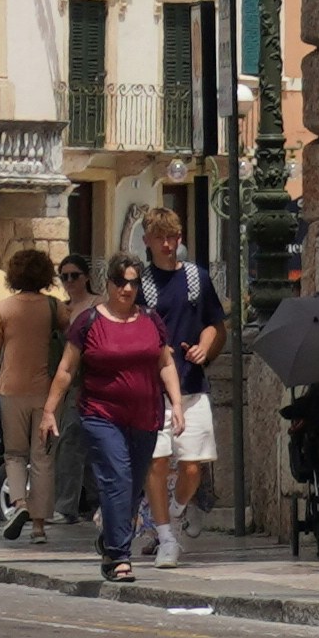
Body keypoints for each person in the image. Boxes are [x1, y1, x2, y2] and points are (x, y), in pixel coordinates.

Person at [66, 256, 174, 582]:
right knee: (118, 479)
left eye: (134, 282)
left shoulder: (151, 320)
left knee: (131, 489)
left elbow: (165, 364)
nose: (128, 288)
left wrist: (177, 404)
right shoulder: (88, 322)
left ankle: (111, 537)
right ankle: (118, 557)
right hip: (101, 414)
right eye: (122, 282)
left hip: (145, 415)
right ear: (109, 283)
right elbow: (66, 369)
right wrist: (47, 413)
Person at [137, 206, 222, 565]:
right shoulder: (139, 284)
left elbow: (215, 322)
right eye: (160, 238)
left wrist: (206, 345)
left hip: (191, 383)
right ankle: (167, 536)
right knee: (156, 464)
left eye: (172, 237)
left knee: (192, 467)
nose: (168, 244)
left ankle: (173, 511)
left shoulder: (196, 277)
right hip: (152, 390)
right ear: (148, 242)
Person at [0, 246, 64, 543]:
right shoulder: (55, 308)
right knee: (42, 456)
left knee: (15, 455)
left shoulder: (2, 309)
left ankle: (19, 504)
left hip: (10, 390)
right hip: (45, 392)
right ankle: (39, 527)